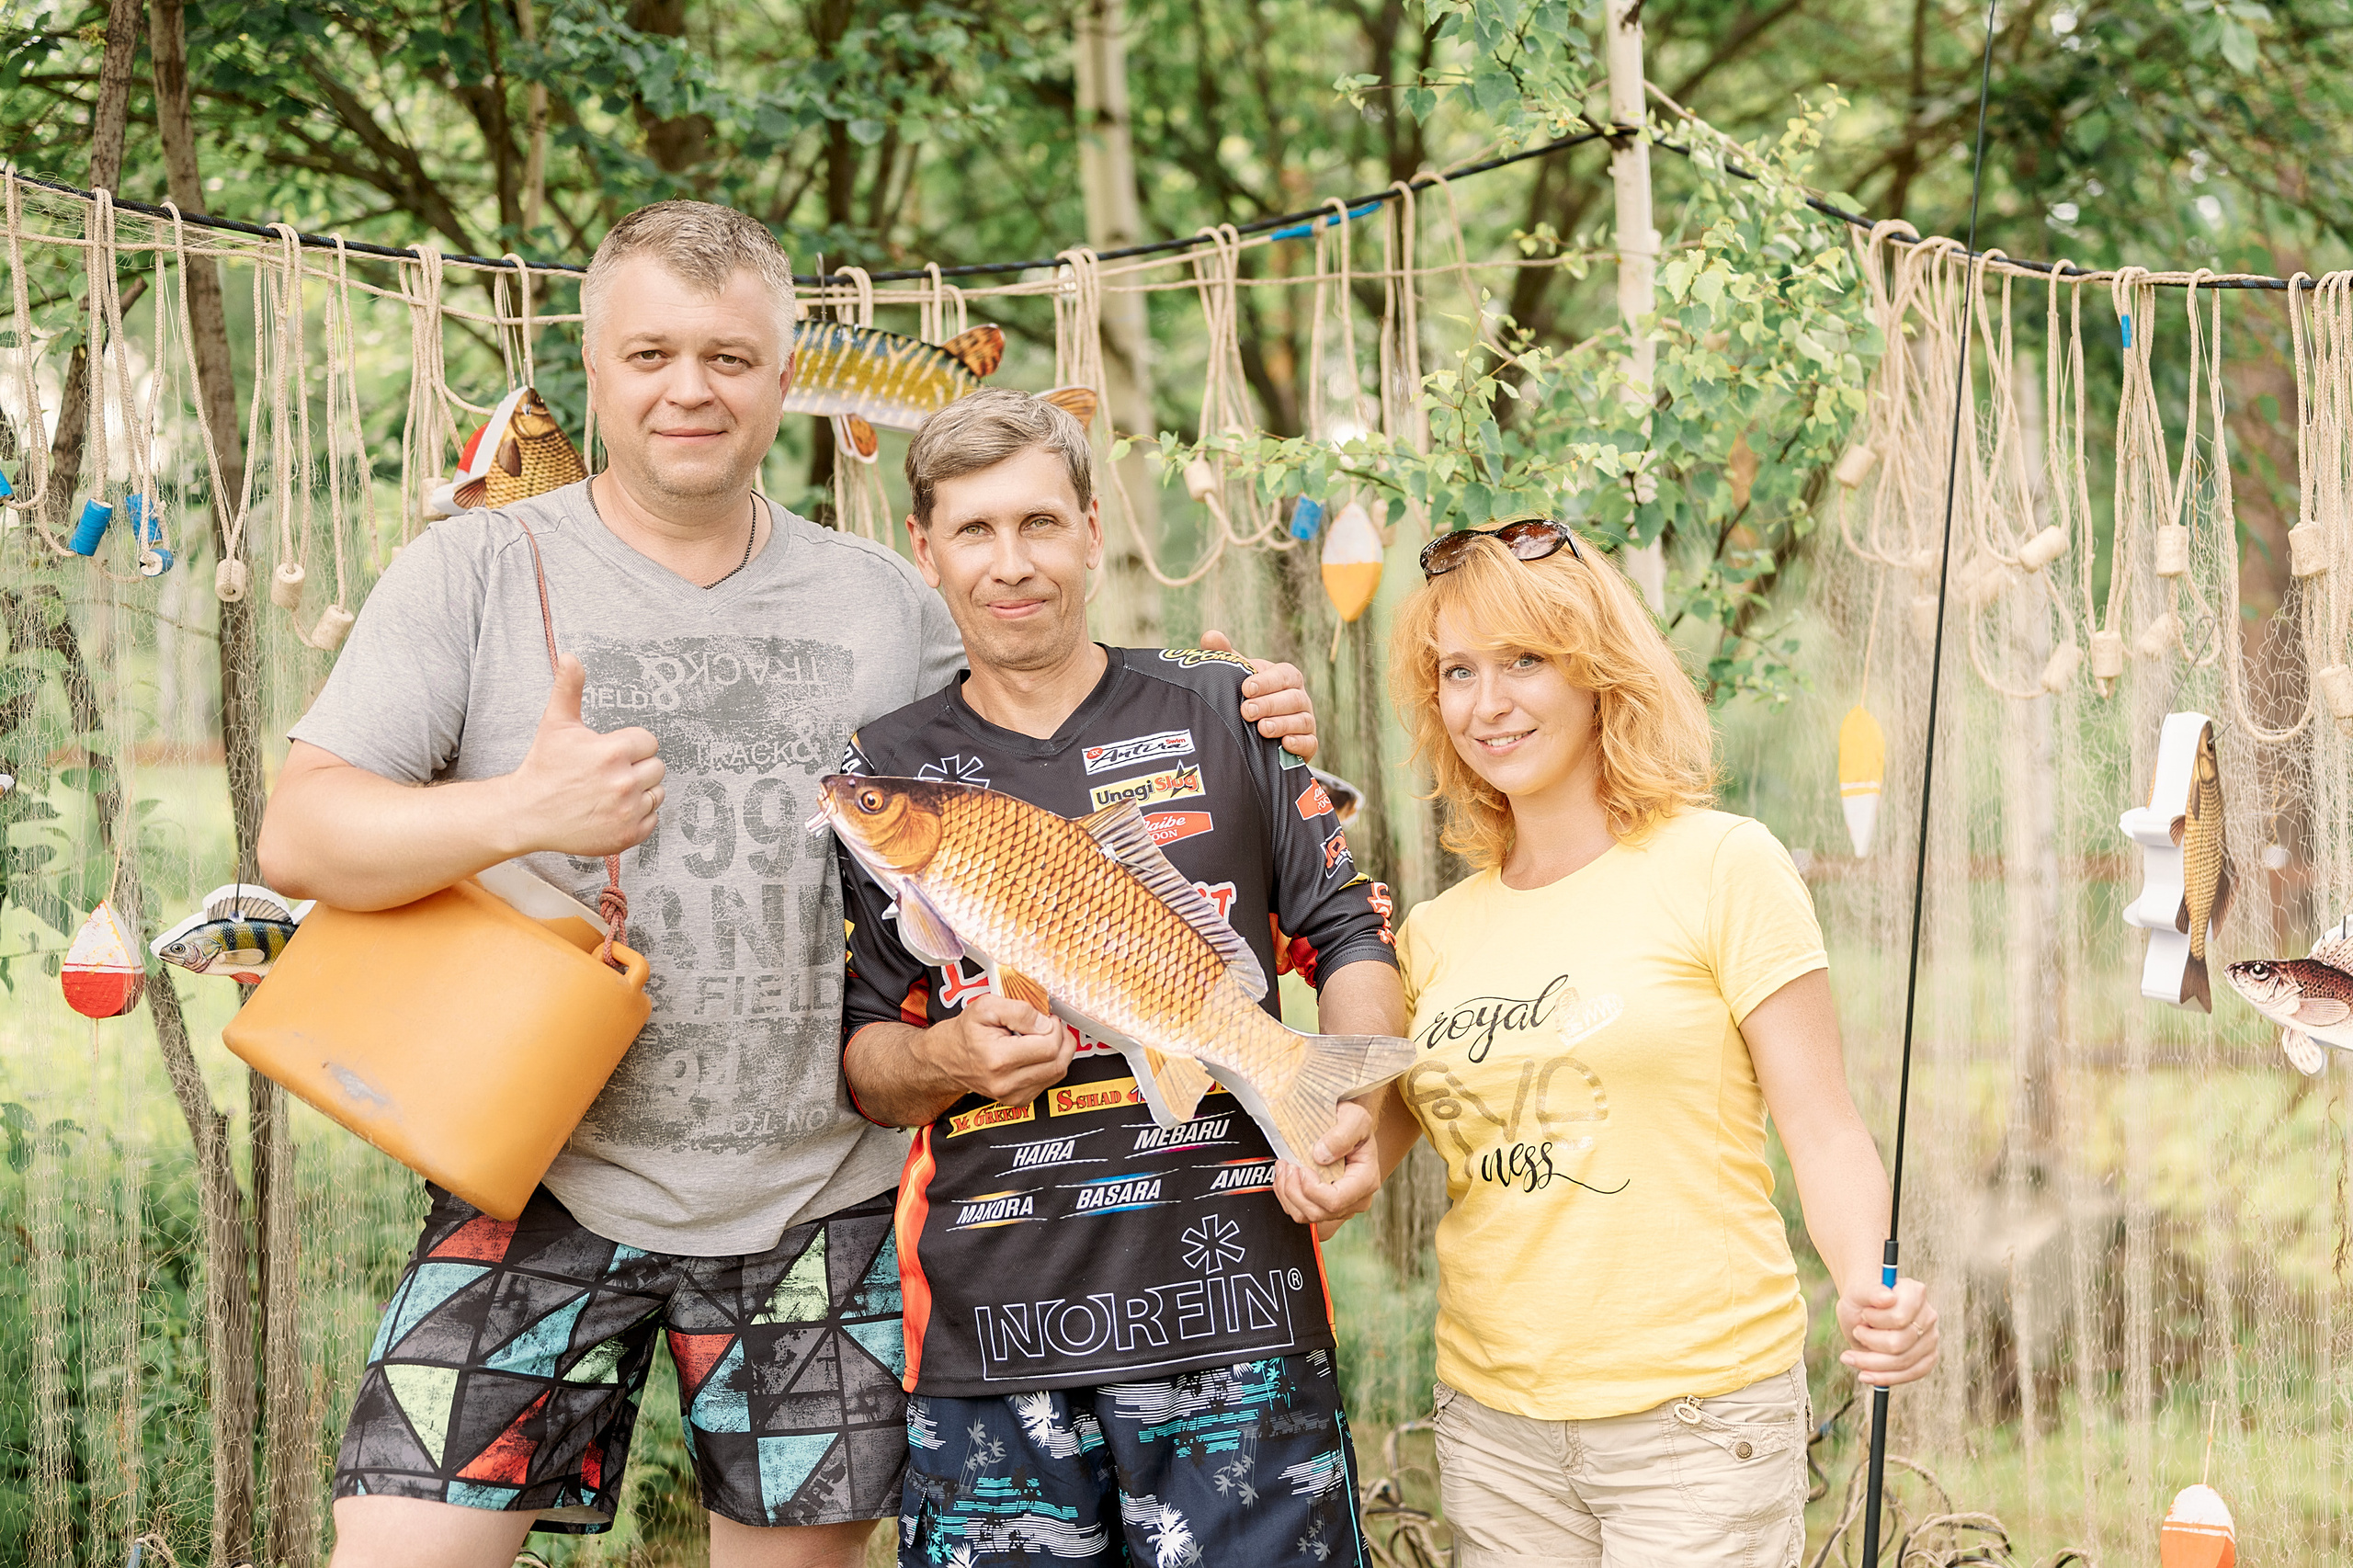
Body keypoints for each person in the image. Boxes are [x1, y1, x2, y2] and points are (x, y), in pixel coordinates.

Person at [256, 201, 1320, 1568]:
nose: (688, 389)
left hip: (821, 1200)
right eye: (649, 354)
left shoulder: (887, 599)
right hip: (533, 1168)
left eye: (728, 357)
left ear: (781, 375)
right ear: (592, 358)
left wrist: (1236, 706)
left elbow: (1053, 730)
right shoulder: (474, 570)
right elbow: (302, 835)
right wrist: (525, 809)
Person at [1288, 518, 1940, 1567]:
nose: (1487, 703)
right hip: (1495, 1428)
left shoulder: (1722, 864)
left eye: (1524, 661)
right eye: (1457, 671)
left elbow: (1822, 1129)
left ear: (1598, 672)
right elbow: (1352, 1158)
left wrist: (1877, 1286)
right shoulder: (1432, 935)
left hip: (1696, 1420)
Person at [833, 388, 1402, 1568]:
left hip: (1237, 1314)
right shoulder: (885, 772)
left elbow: (1349, 930)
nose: (1012, 562)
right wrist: (951, 1058)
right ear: (923, 549)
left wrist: (1350, 1113)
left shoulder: (1225, 707)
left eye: (1040, 523)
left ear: (1094, 528)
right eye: (976, 531)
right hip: (990, 1337)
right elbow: (866, 1061)